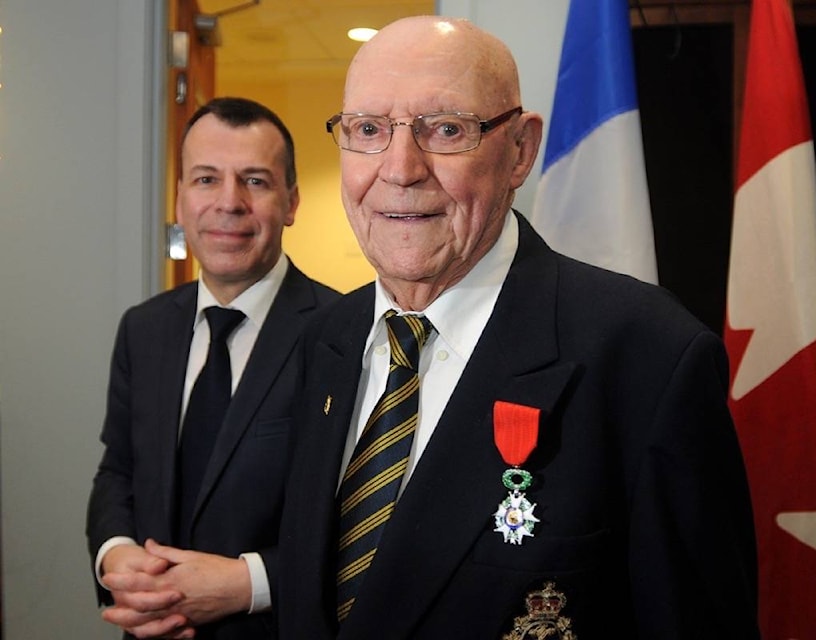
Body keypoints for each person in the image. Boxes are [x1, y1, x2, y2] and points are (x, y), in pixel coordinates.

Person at [278, 16, 760, 639]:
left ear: (520, 152)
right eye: (368, 130)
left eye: (445, 130)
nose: (400, 168)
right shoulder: (326, 340)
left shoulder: (649, 357)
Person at [86, 96, 341, 639]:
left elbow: (364, 517)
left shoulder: (344, 335)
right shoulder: (143, 328)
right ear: (179, 198)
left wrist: (249, 583)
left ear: (291, 201)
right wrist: (117, 554)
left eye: (255, 180)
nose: (229, 203)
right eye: (205, 180)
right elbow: (119, 471)